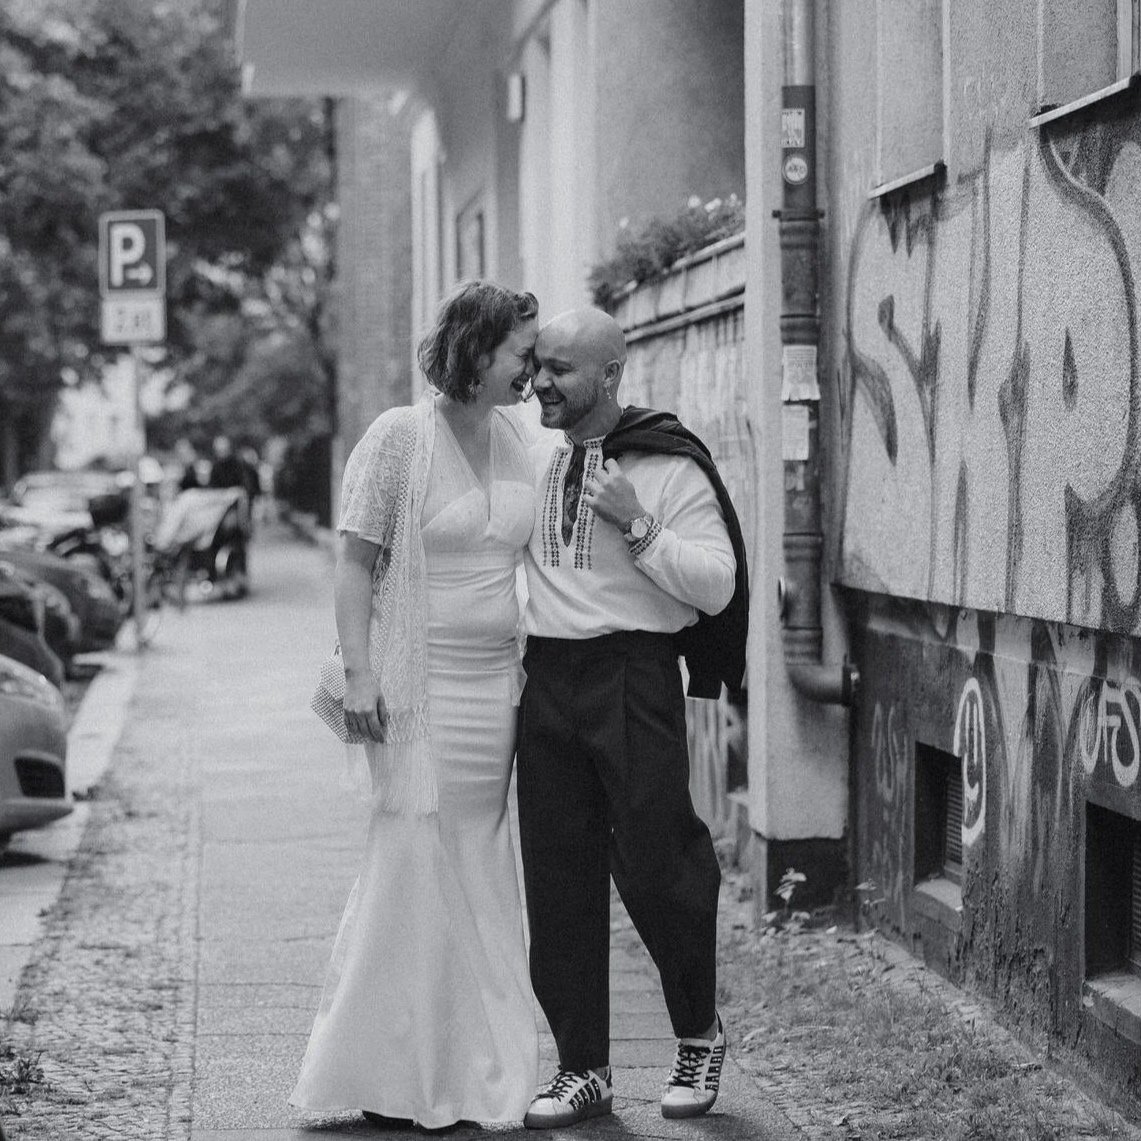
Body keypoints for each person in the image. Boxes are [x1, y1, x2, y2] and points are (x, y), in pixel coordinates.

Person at [290, 280, 541, 1129]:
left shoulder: (516, 435)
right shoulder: (399, 438)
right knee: (409, 862)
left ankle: (477, 1061)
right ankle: (392, 1064)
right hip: (418, 691)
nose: (531, 370)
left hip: (496, 692)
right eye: (521, 353)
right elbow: (355, 563)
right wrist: (361, 674)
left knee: (477, 864)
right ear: (476, 349)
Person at [517, 307, 748, 1129]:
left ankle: (696, 1032)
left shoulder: (667, 463)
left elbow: (717, 585)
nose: (540, 381)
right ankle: (583, 1065)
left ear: (610, 375)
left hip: (632, 675)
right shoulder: (528, 450)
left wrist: (636, 521)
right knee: (556, 875)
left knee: (660, 865)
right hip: (543, 678)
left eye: (560, 370)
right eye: (537, 364)